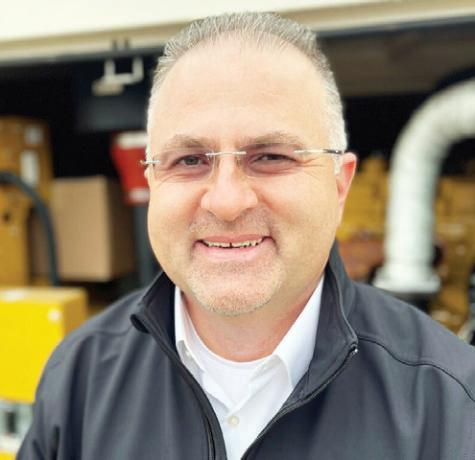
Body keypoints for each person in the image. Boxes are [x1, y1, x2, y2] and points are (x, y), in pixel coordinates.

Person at [19, 12, 475, 460]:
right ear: (153, 183)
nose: (227, 201)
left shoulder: (451, 404)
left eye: (271, 156)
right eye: (190, 160)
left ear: (339, 184)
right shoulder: (79, 377)